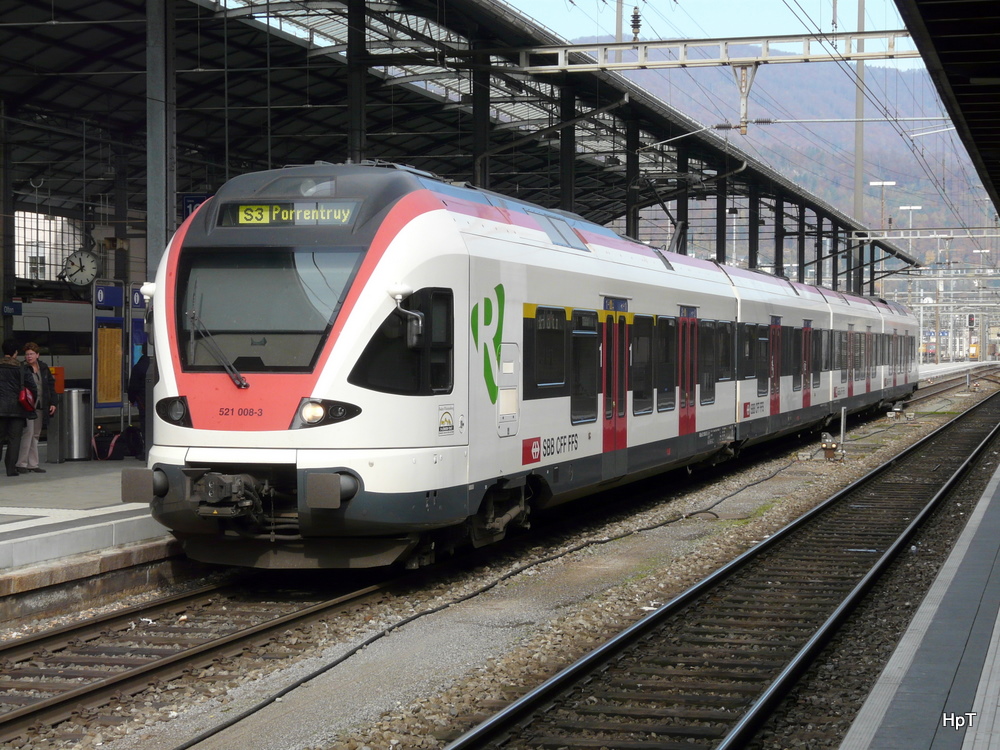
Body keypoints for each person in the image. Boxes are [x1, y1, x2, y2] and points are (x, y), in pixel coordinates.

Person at [16, 342, 57, 474]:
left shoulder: (44, 368)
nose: (29, 356)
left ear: (37, 355)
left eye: (32, 354)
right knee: (28, 433)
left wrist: (53, 403)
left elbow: (51, 386)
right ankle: (21, 463)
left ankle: (33, 464)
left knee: (35, 434)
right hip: (27, 406)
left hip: (40, 406)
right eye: (27, 354)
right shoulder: (22, 368)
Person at [0, 340, 36, 477]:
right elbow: (32, 388)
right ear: (16, 353)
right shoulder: (22, 369)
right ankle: (11, 469)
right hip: (18, 409)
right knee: (14, 440)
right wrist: (31, 407)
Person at [127, 350, 149, 460]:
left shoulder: (139, 366)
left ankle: (146, 450)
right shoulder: (161, 364)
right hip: (160, 400)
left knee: (145, 425)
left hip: (143, 401)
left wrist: (131, 399)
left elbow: (133, 386)